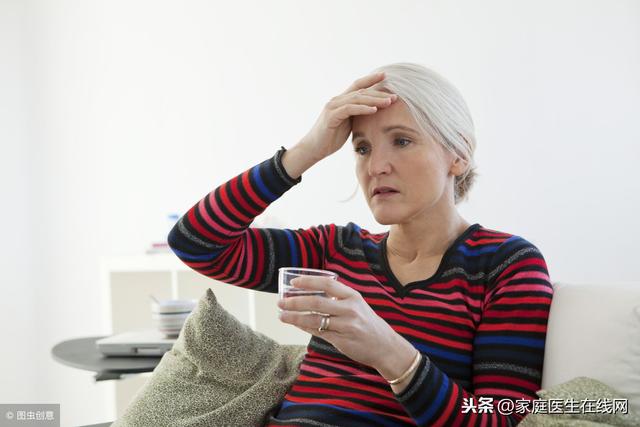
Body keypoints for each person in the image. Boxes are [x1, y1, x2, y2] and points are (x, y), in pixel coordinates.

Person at [167, 62, 554, 426]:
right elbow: (196, 243)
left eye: (401, 141)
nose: (375, 167)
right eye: (363, 148)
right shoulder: (336, 249)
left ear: (459, 155)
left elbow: (502, 419)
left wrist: (389, 352)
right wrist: (306, 151)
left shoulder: (506, 265)